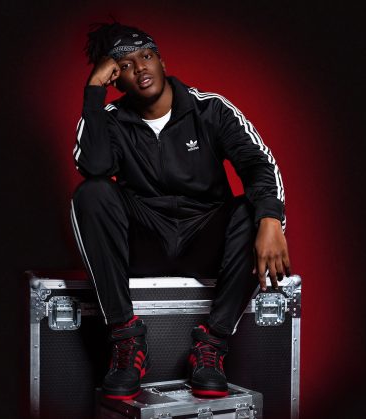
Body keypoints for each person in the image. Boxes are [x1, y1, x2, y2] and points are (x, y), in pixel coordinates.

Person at [71, 22, 291, 400]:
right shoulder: (109, 118)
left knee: (249, 209)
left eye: (146, 56)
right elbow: (93, 166)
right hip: (144, 243)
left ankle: (212, 346)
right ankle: (126, 342)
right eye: (125, 65)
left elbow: (259, 164)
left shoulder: (209, 109)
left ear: (162, 61)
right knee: (91, 193)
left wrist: (271, 220)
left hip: (205, 241)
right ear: (115, 79)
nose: (140, 68)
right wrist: (93, 91)